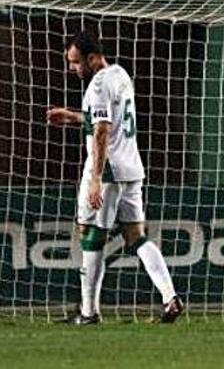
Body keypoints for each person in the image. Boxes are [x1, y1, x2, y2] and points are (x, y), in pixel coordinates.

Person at [47, 31, 183, 324]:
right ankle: (170, 297)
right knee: (136, 235)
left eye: (75, 62)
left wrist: (96, 177)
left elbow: (102, 130)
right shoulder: (119, 74)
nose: (73, 69)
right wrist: (73, 117)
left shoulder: (96, 85)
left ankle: (88, 312)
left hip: (108, 170)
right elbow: (110, 120)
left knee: (90, 233)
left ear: (92, 58)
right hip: (131, 167)